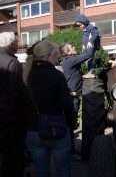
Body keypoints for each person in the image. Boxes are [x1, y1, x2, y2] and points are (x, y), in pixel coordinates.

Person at [23, 40, 76, 177]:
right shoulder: (56, 76)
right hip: (56, 129)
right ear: (48, 56)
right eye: (56, 56)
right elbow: (68, 106)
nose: (57, 60)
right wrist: (71, 124)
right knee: (63, 170)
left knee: (41, 171)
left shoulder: (26, 75)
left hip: (33, 130)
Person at [59, 43, 93, 157]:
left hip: (74, 97)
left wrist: (83, 76)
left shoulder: (70, 61)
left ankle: (70, 150)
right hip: (71, 98)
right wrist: (89, 45)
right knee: (69, 126)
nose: (74, 47)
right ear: (68, 52)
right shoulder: (68, 60)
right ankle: (69, 152)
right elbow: (87, 55)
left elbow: (73, 75)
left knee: (70, 125)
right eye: (72, 47)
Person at [0, 32, 27, 177]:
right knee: (13, 155)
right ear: (10, 44)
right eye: (17, 42)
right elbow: (17, 93)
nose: (19, 44)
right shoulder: (12, 62)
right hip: (11, 117)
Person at [75, 14, 100, 79]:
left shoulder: (90, 27)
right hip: (86, 46)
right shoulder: (84, 28)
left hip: (91, 46)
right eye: (79, 26)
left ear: (84, 21)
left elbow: (96, 33)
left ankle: (91, 72)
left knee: (89, 59)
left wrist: (90, 41)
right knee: (85, 60)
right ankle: (89, 71)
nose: (80, 26)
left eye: (80, 25)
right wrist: (83, 45)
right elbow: (84, 38)